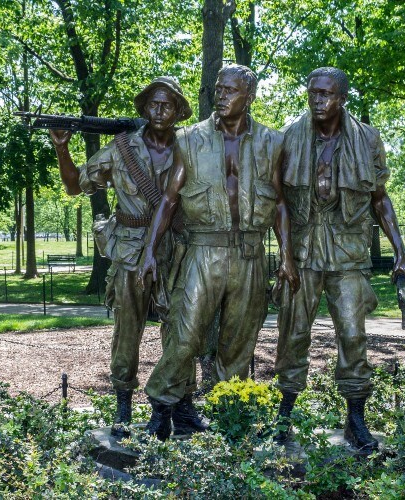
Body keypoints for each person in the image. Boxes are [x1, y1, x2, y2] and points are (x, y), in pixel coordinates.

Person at [138, 64, 300, 440]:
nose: (221, 95)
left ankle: (232, 418)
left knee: (240, 342)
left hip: (249, 254)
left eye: (230, 90)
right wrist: (149, 250)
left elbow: (278, 203)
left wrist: (287, 256)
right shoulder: (189, 139)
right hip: (202, 251)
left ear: (250, 96)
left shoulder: (272, 142)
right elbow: (169, 199)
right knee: (184, 335)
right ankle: (162, 409)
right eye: (218, 89)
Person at [49, 77, 205, 438]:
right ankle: (123, 407)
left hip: (177, 248)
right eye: (153, 103)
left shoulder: (194, 147)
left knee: (182, 330)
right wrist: (62, 148)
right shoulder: (120, 149)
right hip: (131, 252)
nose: (160, 110)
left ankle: (181, 406)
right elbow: (74, 186)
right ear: (144, 108)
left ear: (180, 110)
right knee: (127, 330)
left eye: (168, 104)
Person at [273, 67, 405, 453]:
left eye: (326, 95)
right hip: (302, 251)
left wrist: (400, 251)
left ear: (342, 98)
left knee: (353, 335)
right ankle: (284, 413)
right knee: (293, 331)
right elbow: (278, 201)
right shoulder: (288, 136)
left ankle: (355, 417)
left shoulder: (367, 139)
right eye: (312, 93)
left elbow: (379, 198)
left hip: (348, 252)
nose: (317, 101)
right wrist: (285, 255)